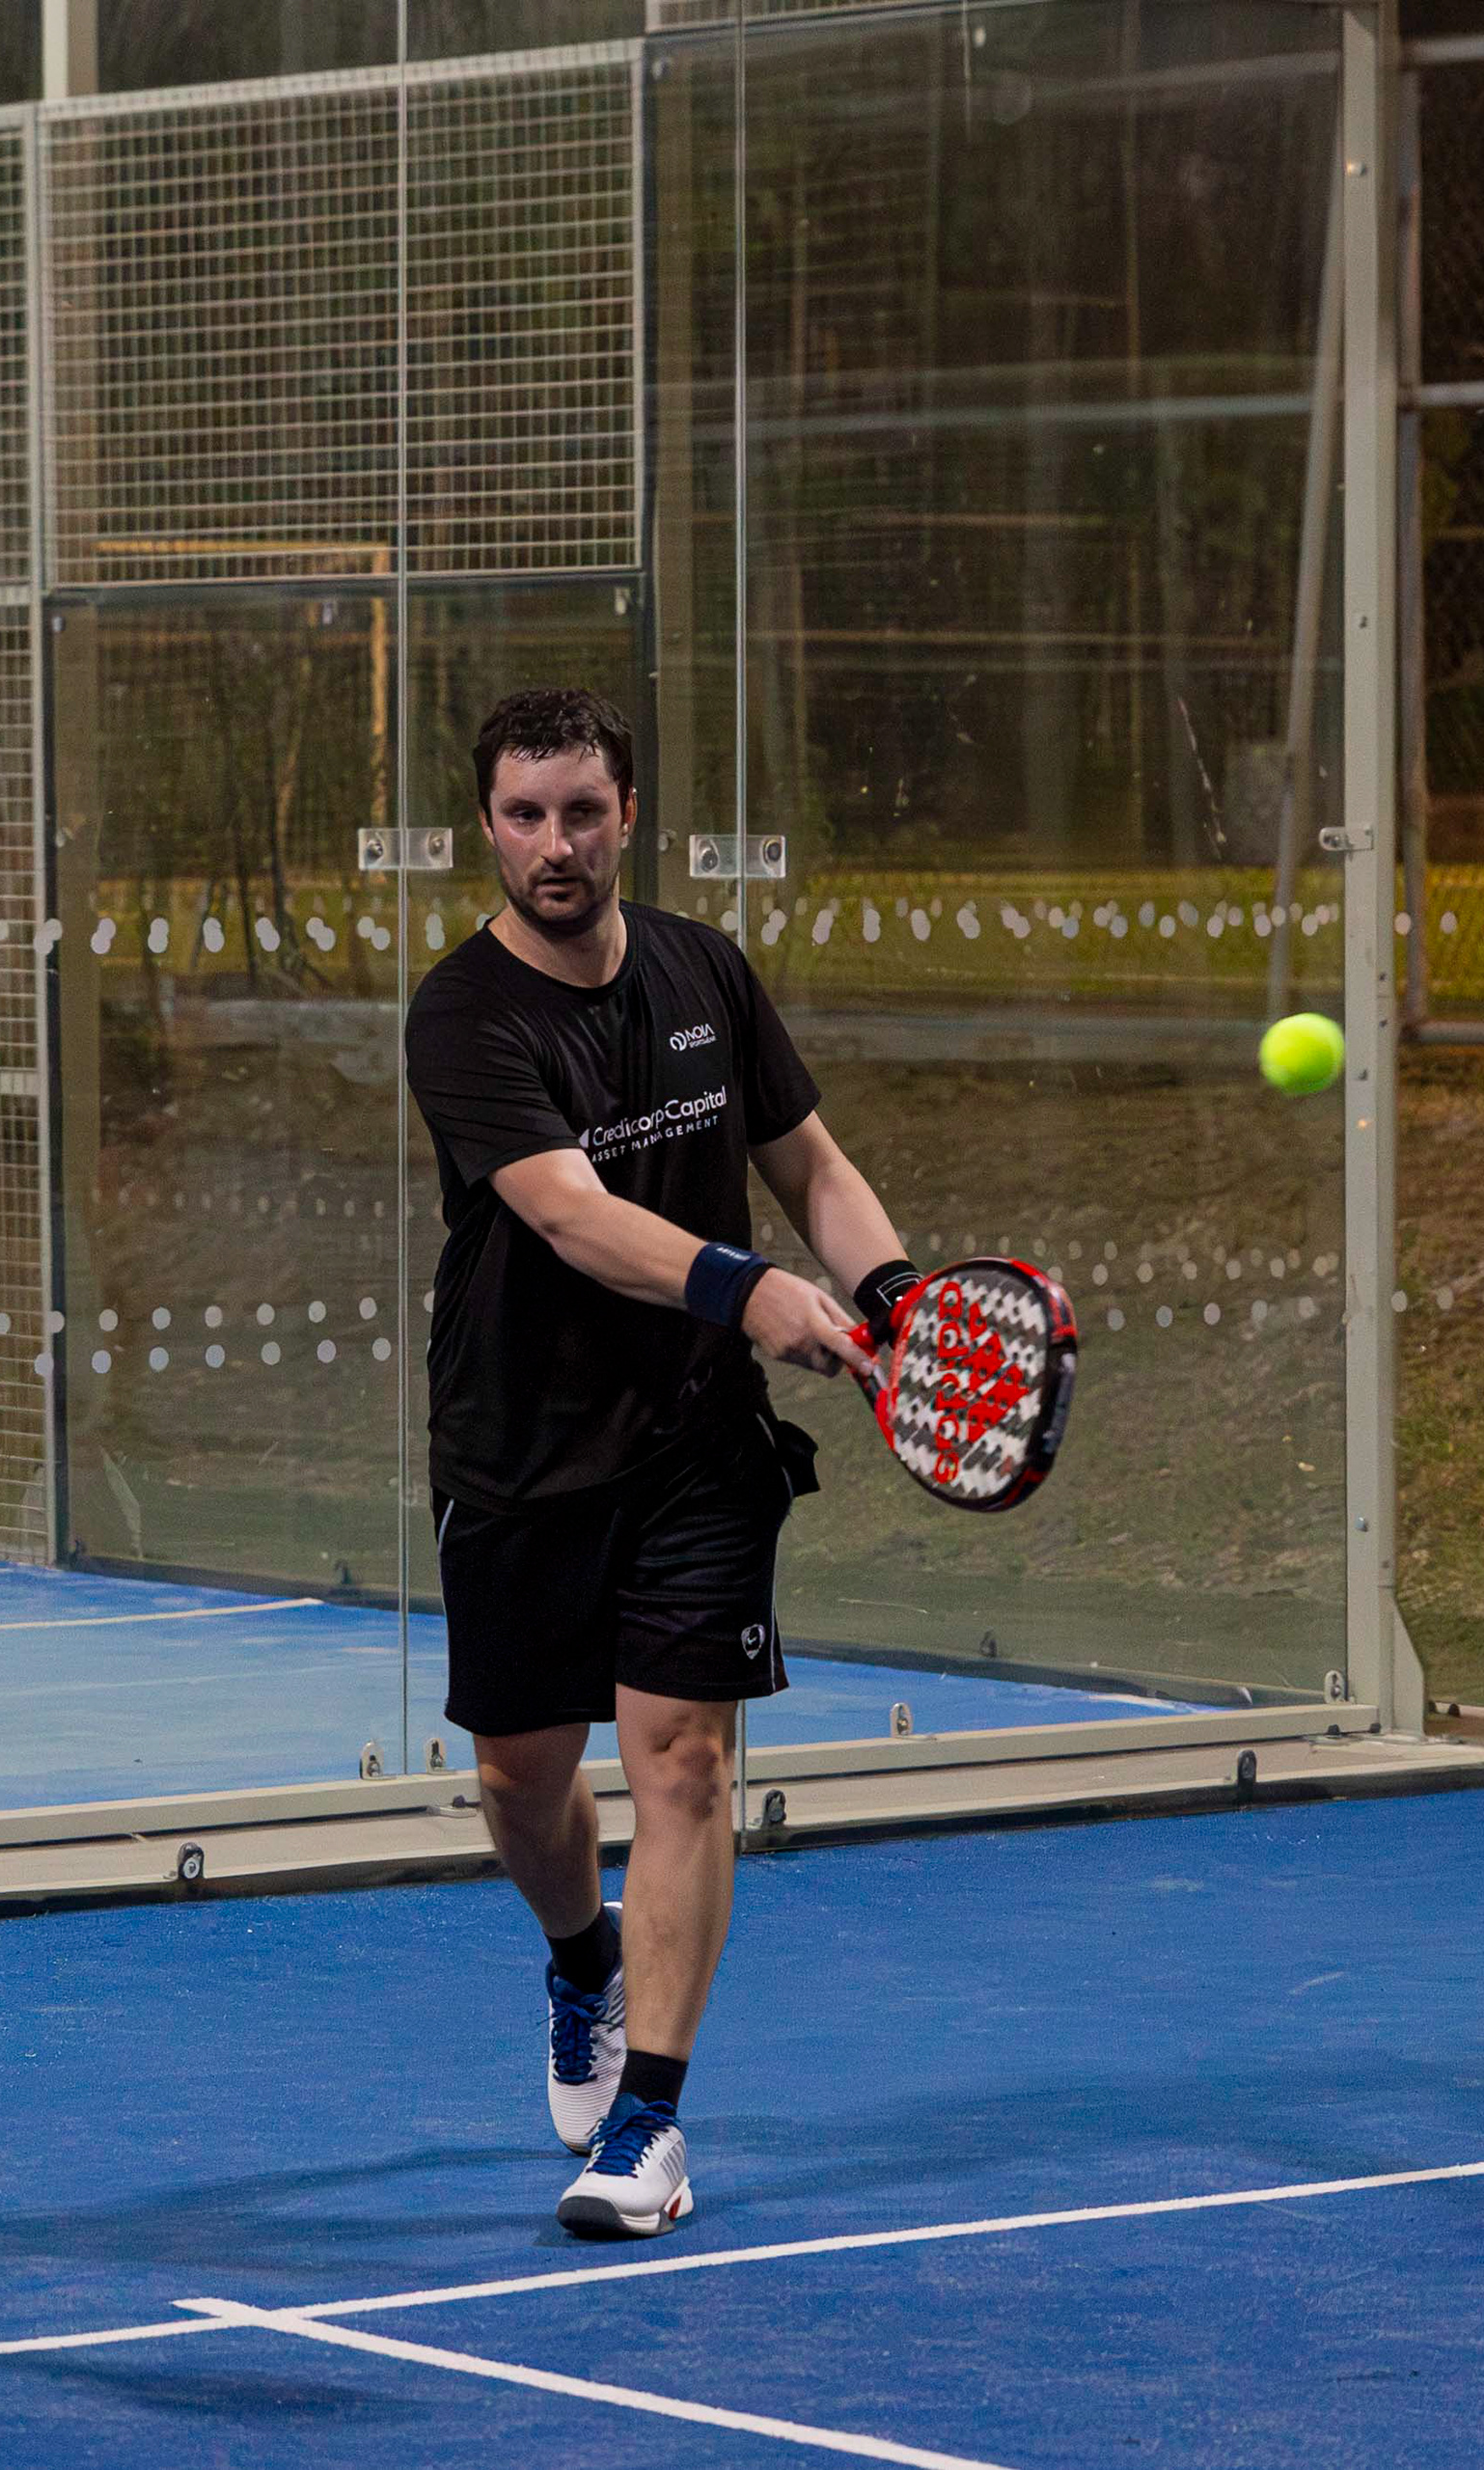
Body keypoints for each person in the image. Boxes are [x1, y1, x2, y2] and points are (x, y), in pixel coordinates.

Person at [403, 685, 920, 2240]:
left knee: (683, 1759)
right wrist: (750, 1291)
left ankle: (650, 2126)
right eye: (524, 816)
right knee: (521, 1782)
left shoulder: (705, 970)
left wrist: (899, 1299)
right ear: (488, 829)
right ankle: (584, 1963)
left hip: (697, 1442)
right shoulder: (464, 1013)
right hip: (518, 1445)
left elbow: (811, 1164)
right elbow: (570, 1215)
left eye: (582, 811)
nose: (555, 845)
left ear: (629, 813)